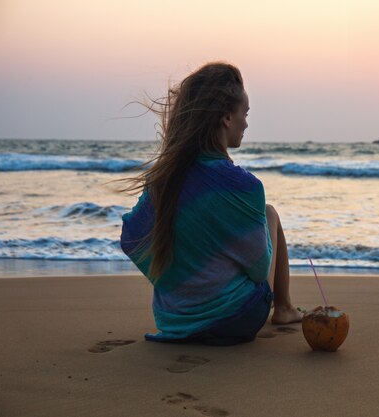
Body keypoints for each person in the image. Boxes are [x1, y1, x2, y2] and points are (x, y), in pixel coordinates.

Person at [119, 62, 302, 346]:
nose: (247, 122)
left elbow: (131, 240)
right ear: (227, 117)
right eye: (245, 113)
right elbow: (257, 271)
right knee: (270, 214)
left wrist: (179, 281)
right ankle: (285, 309)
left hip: (173, 321)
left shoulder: (164, 179)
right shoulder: (245, 187)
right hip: (236, 320)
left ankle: (195, 302)